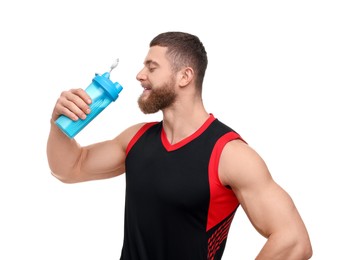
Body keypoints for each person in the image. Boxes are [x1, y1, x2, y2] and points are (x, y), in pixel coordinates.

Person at [47, 31, 313, 260]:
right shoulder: (135, 138)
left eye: (152, 67)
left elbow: (294, 240)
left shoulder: (230, 155)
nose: (140, 75)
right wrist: (59, 125)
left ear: (184, 76)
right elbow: (70, 168)